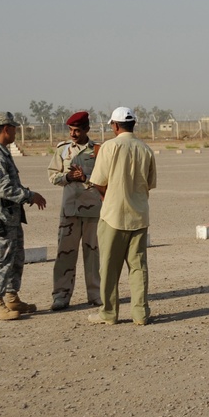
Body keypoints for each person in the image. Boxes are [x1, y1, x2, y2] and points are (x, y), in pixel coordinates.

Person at [86, 106, 157, 325]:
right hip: (139, 215)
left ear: (115, 126)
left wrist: (109, 198)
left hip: (113, 216)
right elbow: (150, 183)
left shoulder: (109, 147)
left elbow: (98, 181)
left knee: (108, 267)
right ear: (133, 124)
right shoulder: (146, 149)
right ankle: (140, 313)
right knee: (138, 267)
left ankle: (108, 313)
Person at [0, 111, 47, 321]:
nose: (16, 132)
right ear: (6, 129)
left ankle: (12, 297)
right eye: (15, 128)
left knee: (15, 258)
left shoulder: (3, 152)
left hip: (10, 217)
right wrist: (30, 196)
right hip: (0, 219)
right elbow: (4, 188)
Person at [47, 111, 102, 311]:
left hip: (93, 211)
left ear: (87, 129)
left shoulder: (97, 151)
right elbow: (53, 175)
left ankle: (96, 295)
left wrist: (85, 177)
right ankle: (61, 295)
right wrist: (68, 178)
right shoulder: (63, 151)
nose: (73, 134)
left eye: (77, 130)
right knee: (65, 254)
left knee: (93, 255)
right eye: (71, 130)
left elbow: (105, 178)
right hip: (69, 211)